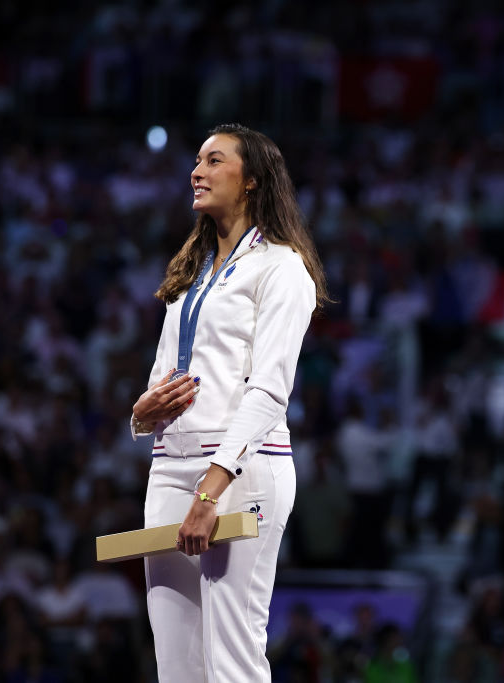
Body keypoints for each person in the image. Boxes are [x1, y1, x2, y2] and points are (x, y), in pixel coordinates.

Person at [130, 123, 328, 682]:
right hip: (169, 467)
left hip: (241, 470)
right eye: (197, 159)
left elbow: (269, 388)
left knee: (232, 659)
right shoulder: (189, 269)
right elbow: (161, 377)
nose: (197, 170)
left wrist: (211, 489)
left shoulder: (282, 267)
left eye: (214, 160)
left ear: (251, 182)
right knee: (177, 664)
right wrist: (139, 417)